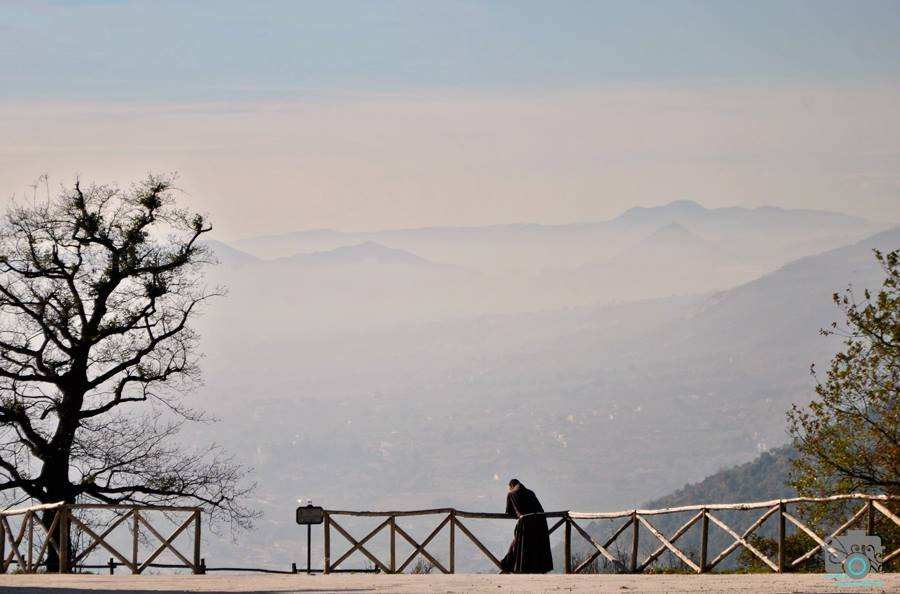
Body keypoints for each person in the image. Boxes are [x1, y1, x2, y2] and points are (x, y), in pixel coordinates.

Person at [499, 478, 553, 573]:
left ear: (511, 486)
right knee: (537, 545)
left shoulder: (511, 494)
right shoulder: (530, 492)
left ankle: (510, 566)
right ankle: (537, 569)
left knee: (519, 545)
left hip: (526, 523)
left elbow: (510, 512)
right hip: (541, 521)